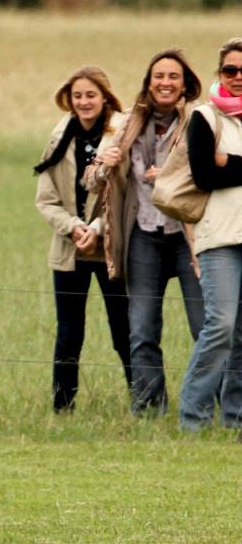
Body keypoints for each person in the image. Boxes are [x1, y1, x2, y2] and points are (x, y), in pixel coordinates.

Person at [85, 49, 204, 415]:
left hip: (190, 238)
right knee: (142, 329)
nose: (165, 83)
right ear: (148, 84)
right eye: (159, 76)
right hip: (144, 236)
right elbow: (91, 180)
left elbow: (211, 176)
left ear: (185, 86)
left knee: (206, 327)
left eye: (173, 77)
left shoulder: (199, 121)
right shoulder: (126, 125)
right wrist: (105, 165)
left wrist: (170, 175)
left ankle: (209, 405)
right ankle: (149, 409)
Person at [34, 66, 132, 412]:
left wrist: (98, 229)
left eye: (91, 95)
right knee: (69, 334)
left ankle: (144, 402)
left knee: (124, 329)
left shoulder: (121, 134)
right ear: (69, 99)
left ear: (105, 96)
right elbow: (45, 199)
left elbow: (129, 195)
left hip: (109, 248)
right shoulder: (60, 136)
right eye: (78, 96)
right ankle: (63, 407)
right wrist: (74, 227)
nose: (84, 102)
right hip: (69, 249)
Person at [177, 38, 242, 431]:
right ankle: (193, 418)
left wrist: (229, 163)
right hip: (219, 238)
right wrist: (221, 164)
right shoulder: (205, 117)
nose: (237, 77)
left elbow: (220, 170)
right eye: (229, 70)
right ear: (219, 74)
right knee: (220, 323)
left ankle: (235, 418)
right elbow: (203, 175)